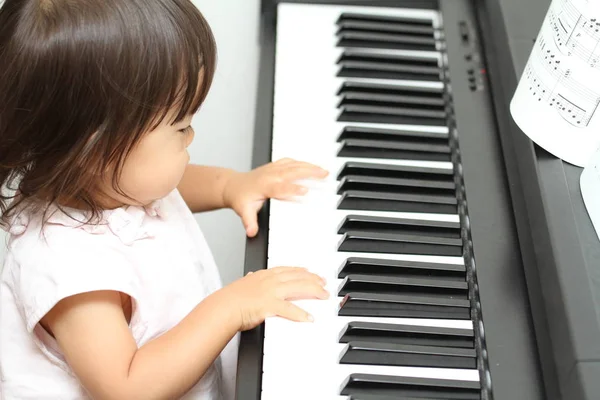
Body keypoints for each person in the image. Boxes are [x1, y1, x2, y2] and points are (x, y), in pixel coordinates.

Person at [0, 0, 330, 399]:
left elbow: (169, 188)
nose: (191, 137)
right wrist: (230, 307)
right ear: (96, 151)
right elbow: (128, 387)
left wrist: (231, 186)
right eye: (182, 126)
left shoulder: (110, 184)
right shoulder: (70, 268)